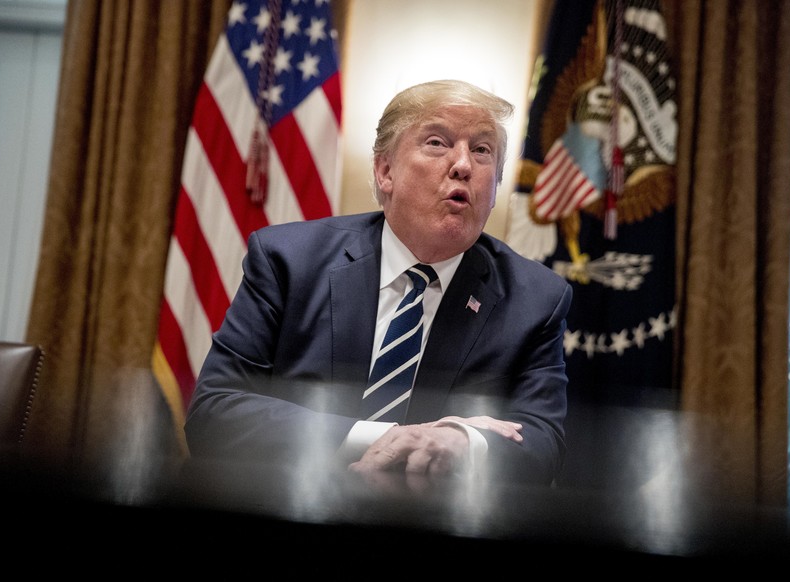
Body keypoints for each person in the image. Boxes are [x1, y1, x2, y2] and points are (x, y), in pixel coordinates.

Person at [184, 79, 573, 486]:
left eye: (482, 150)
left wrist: (463, 441)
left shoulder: (536, 300)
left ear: (495, 188)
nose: (463, 164)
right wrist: (384, 438)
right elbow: (214, 411)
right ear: (385, 170)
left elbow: (542, 445)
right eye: (438, 142)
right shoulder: (289, 261)